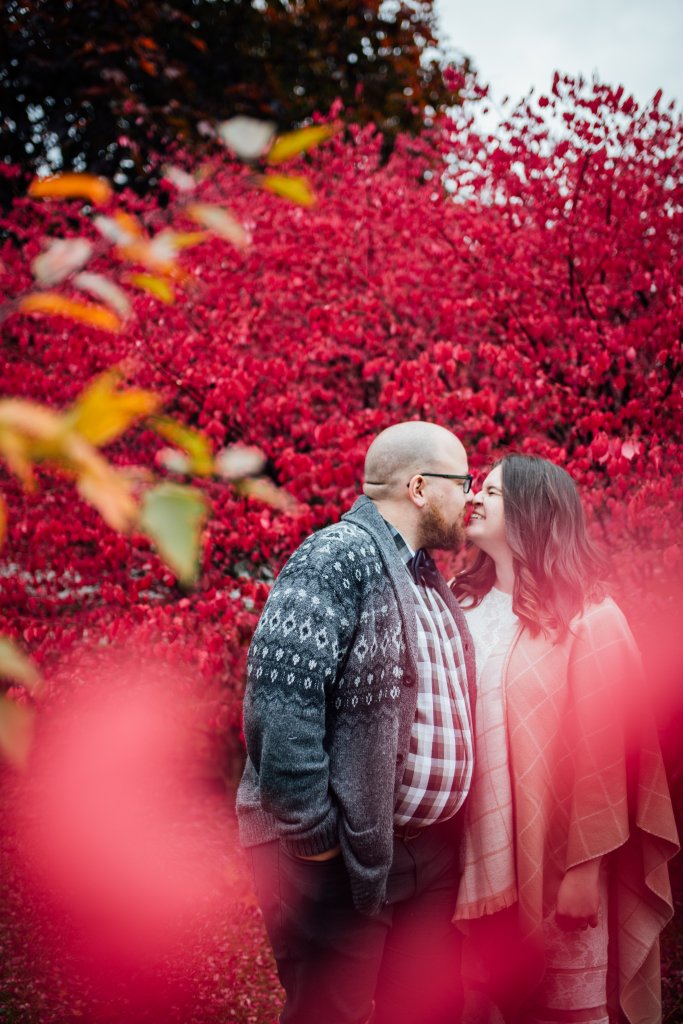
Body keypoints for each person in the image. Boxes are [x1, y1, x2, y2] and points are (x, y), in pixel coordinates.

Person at [236, 421, 477, 1024]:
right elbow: (279, 713)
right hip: (339, 855)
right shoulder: (333, 558)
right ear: (420, 487)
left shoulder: (422, 573)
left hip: (424, 858)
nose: (471, 497)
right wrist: (317, 843)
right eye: (463, 481)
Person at [451, 454, 679, 1024]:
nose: (474, 496)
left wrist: (584, 870)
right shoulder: (458, 606)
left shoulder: (590, 617)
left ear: (534, 512)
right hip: (462, 858)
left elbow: (607, 751)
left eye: (494, 492)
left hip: (557, 860)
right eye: (476, 486)